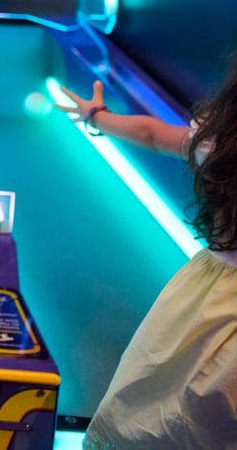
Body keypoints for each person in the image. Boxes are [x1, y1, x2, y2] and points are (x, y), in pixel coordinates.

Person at [59, 65, 237, 448]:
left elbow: (153, 135)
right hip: (214, 298)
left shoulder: (224, 146)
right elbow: (153, 134)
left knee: (162, 416)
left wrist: (96, 116)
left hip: (210, 302)